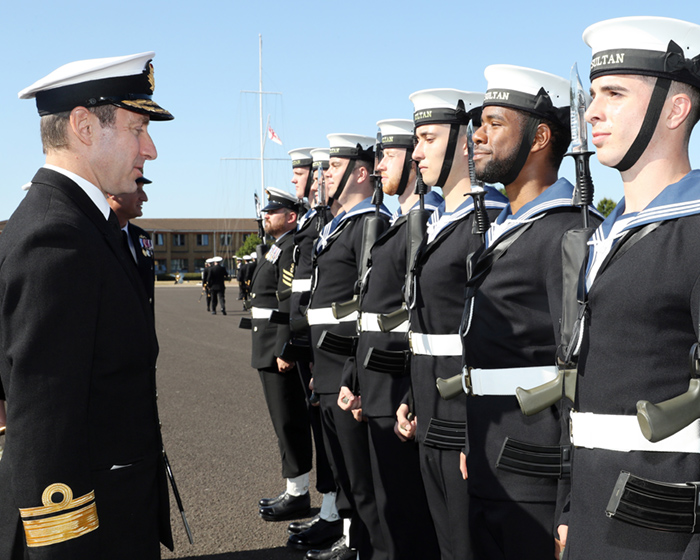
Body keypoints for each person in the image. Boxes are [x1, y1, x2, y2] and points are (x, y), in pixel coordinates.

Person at [0, 51, 174, 559]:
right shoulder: (58, 237)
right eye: (138, 128)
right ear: (83, 126)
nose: (151, 150)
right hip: (86, 535)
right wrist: (59, 542)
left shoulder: (80, 226)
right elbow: (43, 420)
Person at [558, 17, 700, 560]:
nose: (592, 111)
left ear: (675, 109)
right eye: (593, 94)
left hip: (666, 532)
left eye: (614, 93)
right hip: (596, 518)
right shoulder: (604, 238)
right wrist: (568, 510)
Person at [459, 65, 601, 560]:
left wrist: (569, 506)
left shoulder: (568, 233)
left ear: (540, 137)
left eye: (494, 123)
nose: (478, 134)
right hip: (487, 460)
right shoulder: (501, 226)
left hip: (535, 478)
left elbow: (579, 376)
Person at [396, 89, 508, 560]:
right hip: (429, 409)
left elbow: (496, 337)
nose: (416, 152)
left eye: (427, 138)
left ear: (465, 143)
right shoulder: (439, 219)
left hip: (463, 420)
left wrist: (471, 430)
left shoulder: (490, 220)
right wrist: (409, 394)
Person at [336, 119, 442, 559]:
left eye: (390, 156)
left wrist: (404, 395)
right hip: (378, 390)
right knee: (385, 515)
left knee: (406, 523)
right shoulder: (399, 225)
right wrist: (355, 378)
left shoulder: (425, 225)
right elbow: (370, 316)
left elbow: (421, 321)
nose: (379, 166)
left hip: (400, 393)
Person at [306, 133, 391, 560]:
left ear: (360, 172)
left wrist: (350, 373)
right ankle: (352, 539)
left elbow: (367, 304)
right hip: (326, 368)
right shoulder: (340, 225)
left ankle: (365, 546)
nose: (325, 176)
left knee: (361, 476)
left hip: (345, 366)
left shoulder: (370, 223)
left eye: (334, 167)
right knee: (342, 471)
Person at [281, 147, 341, 551]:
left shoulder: (325, 224)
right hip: (309, 344)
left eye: (309, 173)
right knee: (325, 436)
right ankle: (331, 513)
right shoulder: (314, 224)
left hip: (325, 349)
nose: (305, 181)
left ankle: (336, 515)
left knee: (333, 439)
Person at [247, 188, 316, 525]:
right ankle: (293, 488)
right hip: (267, 346)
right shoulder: (278, 248)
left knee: (290, 421)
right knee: (282, 421)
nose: (266, 216)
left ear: (290, 217)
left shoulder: (291, 249)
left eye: (272, 212)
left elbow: (291, 301)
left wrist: (287, 348)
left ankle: (298, 493)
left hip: (279, 350)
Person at [107, 176, 155, 311]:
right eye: (136, 189)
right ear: (112, 193)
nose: (144, 197)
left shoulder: (142, 237)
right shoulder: (91, 234)